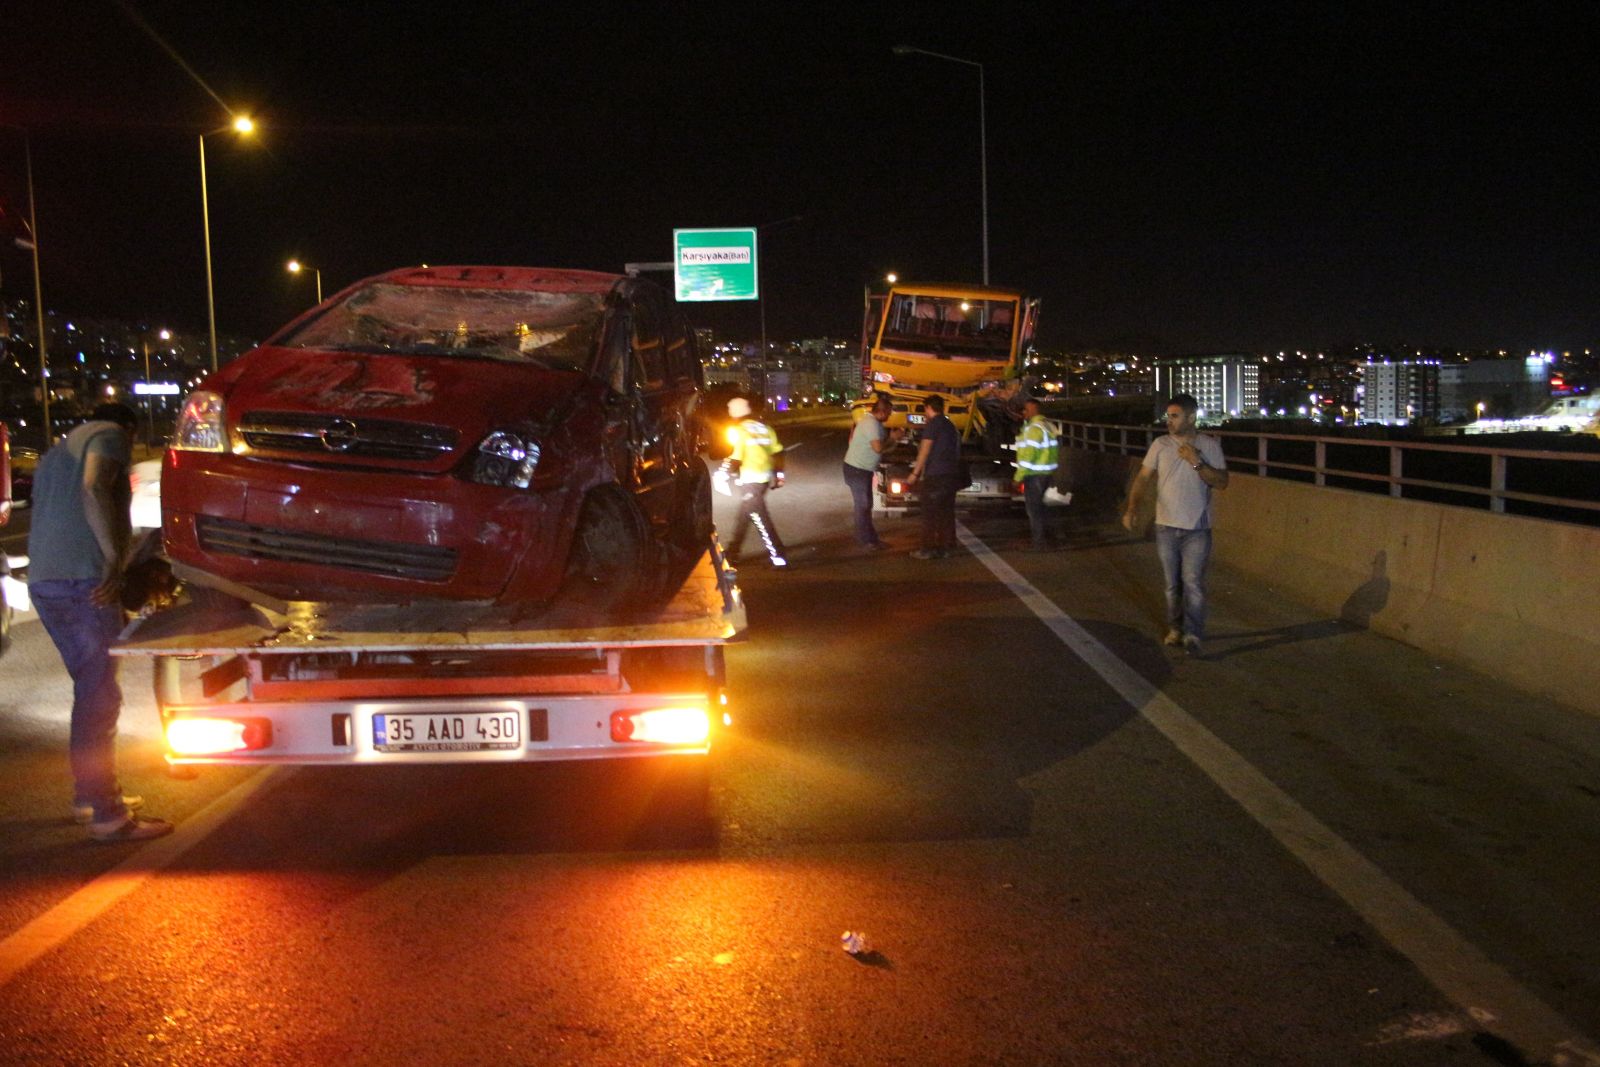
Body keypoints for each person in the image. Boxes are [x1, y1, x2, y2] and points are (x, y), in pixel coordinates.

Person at [28, 402, 173, 842]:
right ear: (128, 429)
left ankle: (89, 796)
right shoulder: (109, 434)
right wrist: (113, 559)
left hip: (46, 581)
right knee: (99, 698)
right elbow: (94, 487)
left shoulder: (55, 454)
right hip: (85, 582)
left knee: (88, 691)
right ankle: (108, 816)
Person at [1121, 394, 1229, 657]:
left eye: (1174, 416)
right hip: (1165, 527)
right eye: (1168, 416)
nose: (1168, 421)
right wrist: (1132, 508)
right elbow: (1143, 478)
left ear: (1191, 418)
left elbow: (1222, 482)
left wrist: (1196, 461)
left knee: (1192, 583)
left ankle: (1193, 633)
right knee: (1172, 585)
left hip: (1197, 530)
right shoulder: (1160, 444)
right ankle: (1175, 628)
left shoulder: (1209, 445)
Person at [721, 396, 789, 567]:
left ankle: (778, 556)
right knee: (745, 515)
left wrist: (724, 474)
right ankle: (733, 552)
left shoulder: (740, 431)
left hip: (750, 480)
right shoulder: (766, 428)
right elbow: (778, 452)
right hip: (763, 479)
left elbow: (736, 458)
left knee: (760, 519)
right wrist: (779, 475)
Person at [842, 392, 903, 550]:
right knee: (862, 505)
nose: (889, 416)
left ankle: (871, 539)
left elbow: (884, 448)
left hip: (862, 470)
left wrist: (893, 441)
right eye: (888, 413)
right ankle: (866, 541)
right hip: (857, 470)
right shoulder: (871, 424)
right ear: (881, 411)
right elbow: (878, 448)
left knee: (866, 505)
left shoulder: (876, 424)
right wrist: (894, 438)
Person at [904, 394, 961, 560]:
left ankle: (927, 549)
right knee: (946, 513)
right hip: (950, 474)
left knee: (929, 514)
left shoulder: (932, 425)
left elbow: (925, 450)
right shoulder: (950, 425)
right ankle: (947, 547)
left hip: (935, 475)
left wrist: (915, 473)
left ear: (928, 408)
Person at [1012, 397, 1060, 550]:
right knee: (1039, 507)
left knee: (1033, 510)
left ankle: (1039, 542)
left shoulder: (1034, 429)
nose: (1023, 412)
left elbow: (1028, 456)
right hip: (1046, 472)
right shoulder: (1046, 425)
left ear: (1032, 409)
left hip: (1035, 473)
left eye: (1025, 409)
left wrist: (1018, 477)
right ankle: (1047, 538)